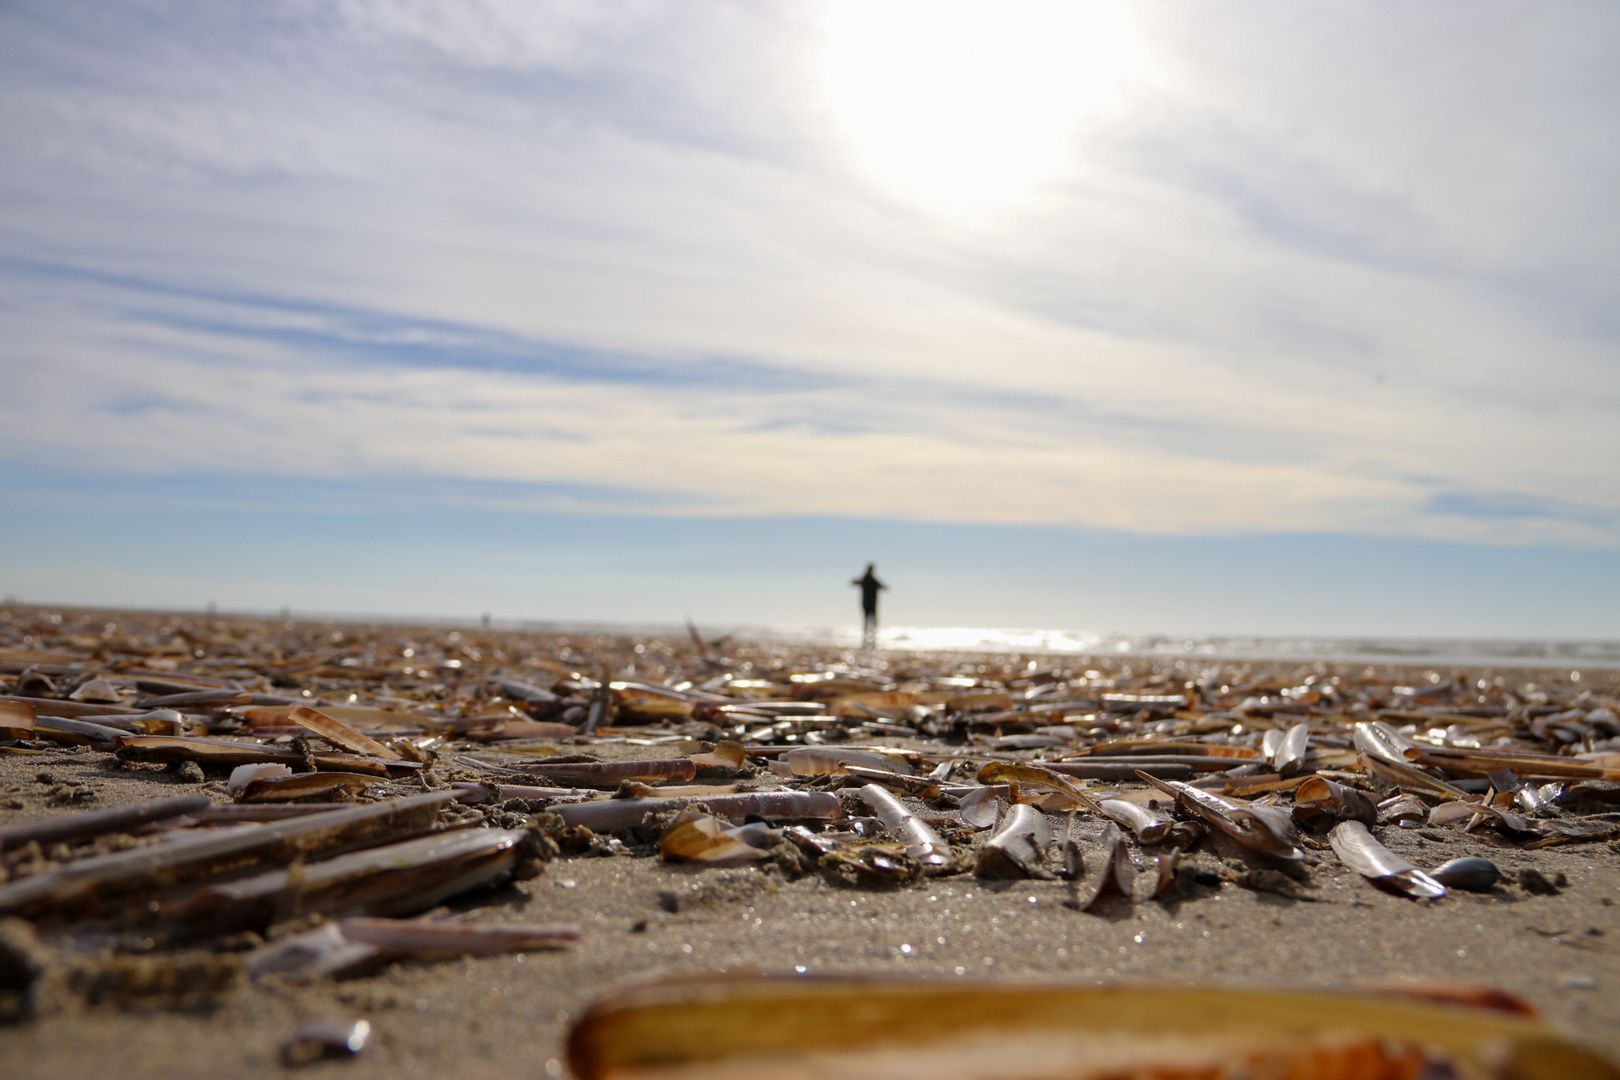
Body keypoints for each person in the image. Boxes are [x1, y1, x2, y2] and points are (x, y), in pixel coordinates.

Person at [852, 563, 885, 648]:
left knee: (872, 622)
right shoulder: (866, 579)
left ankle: (873, 640)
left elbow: (883, 587)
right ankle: (866, 640)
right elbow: (854, 582)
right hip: (867, 604)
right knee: (867, 622)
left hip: (872, 604)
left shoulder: (873, 580)